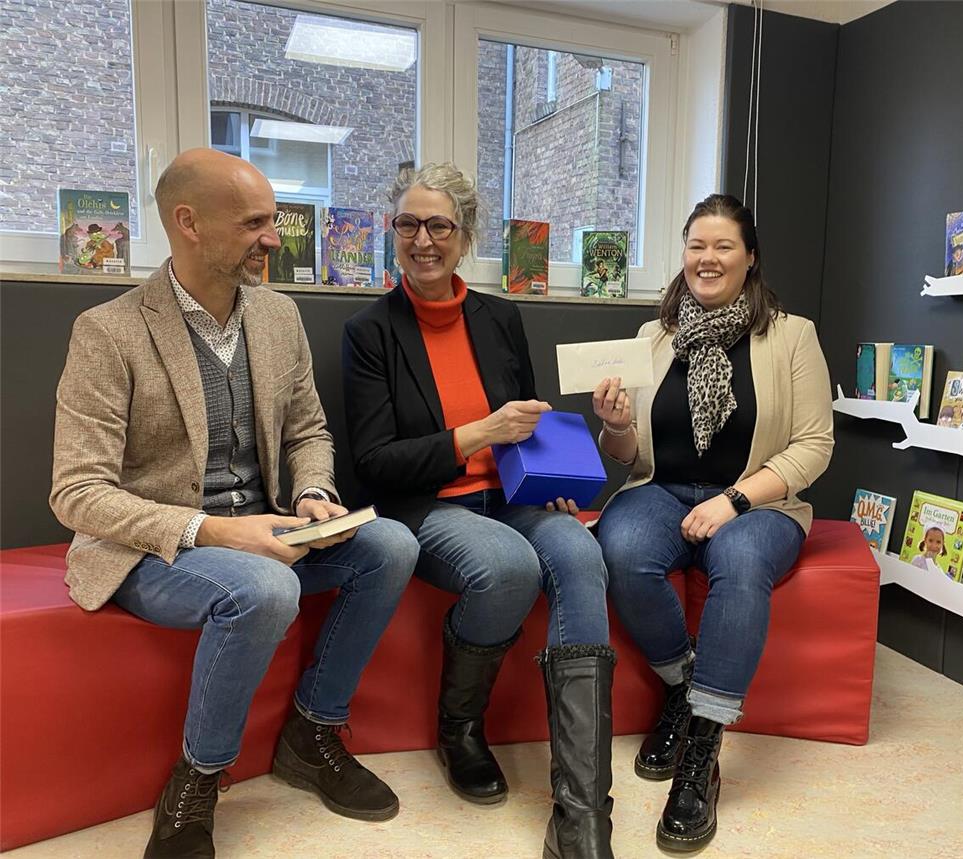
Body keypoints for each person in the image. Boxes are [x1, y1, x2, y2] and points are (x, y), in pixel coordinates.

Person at [50, 148, 421, 859]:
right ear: (188, 223)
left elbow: (310, 430)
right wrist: (219, 530)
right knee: (265, 585)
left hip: (268, 526)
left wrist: (313, 491)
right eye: (254, 223)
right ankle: (197, 776)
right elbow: (77, 492)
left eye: (273, 220)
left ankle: (312, 732)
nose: (275, 238)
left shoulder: (279, 316)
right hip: (156, 546)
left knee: (394, 545)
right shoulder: (108, 332)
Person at [342, 162, 615, 859]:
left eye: (438, 225)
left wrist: (549, 474)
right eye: (408, 224)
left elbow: (526, 423)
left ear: (464, 236)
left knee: (583, 552)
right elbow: (373, 463)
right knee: (506, 566)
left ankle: (582, 811)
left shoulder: (501, 317)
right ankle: (459, 727)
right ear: (393, 233)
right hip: (426, 507)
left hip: (513, 499)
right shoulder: (370, 332)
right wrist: (477, 434)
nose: (422, 239)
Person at [593, 194, 834, 853]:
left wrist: (733, 500)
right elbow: (631, 457)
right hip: (663, 489)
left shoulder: (792, 335)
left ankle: (701, 745)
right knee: (617, 547)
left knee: (743, 561)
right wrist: (614, 425)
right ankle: (682, 680)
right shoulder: (654, 338)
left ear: (750, 257)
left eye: (723, 245)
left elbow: (814, 444)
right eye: (697, 244)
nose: (708, 257)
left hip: (758, 502)